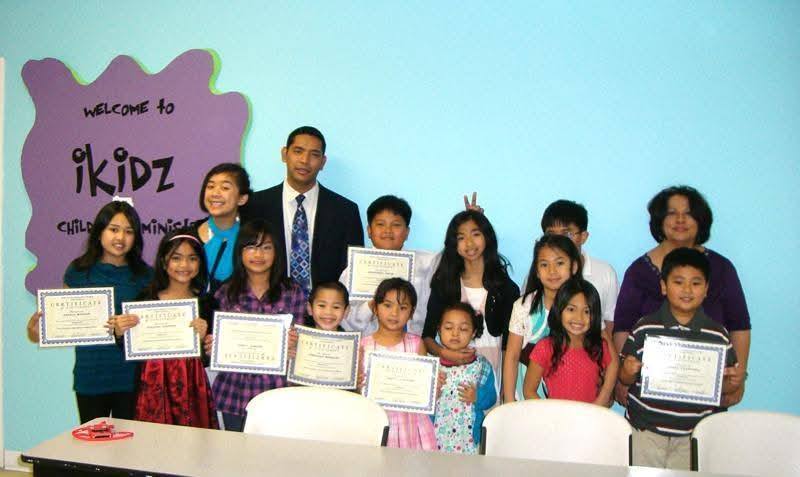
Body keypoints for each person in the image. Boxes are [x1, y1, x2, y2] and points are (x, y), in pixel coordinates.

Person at [613, 186, 750, 407]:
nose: (680, 220)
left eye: (688, 213)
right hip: (649, 400)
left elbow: (739, 325)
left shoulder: (722, 268)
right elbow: (622, 328)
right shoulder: (638, 272)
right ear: (660, 220)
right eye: (671, 213)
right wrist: (623, 377)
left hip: (705, 396)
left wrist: (738, 377)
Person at [26, 200, 153, 423]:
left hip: (132, 378)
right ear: (100, 232)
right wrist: (37, 332)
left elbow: (151, 330)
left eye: (129, 231)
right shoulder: (78, 271)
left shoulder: (146, 276)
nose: (120, 238)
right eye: (113, 229)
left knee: (133, 442)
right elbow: (61, 325)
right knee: (92, 442)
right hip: (90, 377)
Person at [619, 248, 742, 469]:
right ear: (664, 286)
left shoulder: (718, 335)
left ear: (706, 289)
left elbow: (720, 387)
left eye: (696, 283)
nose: (687, 290)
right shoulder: (644, 328)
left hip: (692, 434)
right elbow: (625, 379)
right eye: (678, 282)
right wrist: (627, 371)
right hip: (645, 429)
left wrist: (732, 382)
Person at [204, 219, 306, 431]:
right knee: (235, 450)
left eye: (266, 248)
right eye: (251, 247)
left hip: (278, 391)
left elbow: (301, 343)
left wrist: (296, 345)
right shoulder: (224, 293)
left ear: (276, 253)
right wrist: (213, 347)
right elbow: (217, 346)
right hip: (234, 392)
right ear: (240, 252)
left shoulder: (293, 292)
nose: (259, 255)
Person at [113, 229, 217, 428]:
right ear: (163, 261)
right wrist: (119, 331)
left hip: (192, 387)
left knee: (194, 440)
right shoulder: (145, 300)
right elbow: (130, 349)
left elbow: (208, 358)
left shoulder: (207, 304)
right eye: (176, 258)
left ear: (200, 263)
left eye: (192, 258)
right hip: (151, 386)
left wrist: (205, 340)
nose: (184, 265)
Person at [240, 126, 363, 293]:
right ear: (284, 154)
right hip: (268, 303)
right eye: (298, 151)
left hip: (324, 307)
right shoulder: (254, 206)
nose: (305, 160)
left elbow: (351, 271)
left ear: (323, 162)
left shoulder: (345, 211)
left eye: (314, 155)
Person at [423, 210, 519, 396]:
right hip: (451, 382)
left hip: (492, 377)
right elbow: (427, 337)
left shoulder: (506, 288)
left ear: (487, 237)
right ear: (454, 244)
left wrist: (506, 394)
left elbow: (509, 348)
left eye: (475, 234)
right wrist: (444, 353)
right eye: (461, 237)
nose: (469, 243)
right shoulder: (445, 284)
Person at [340, 195, 439, 336]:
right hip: (367, 344)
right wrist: (372, 305)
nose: (388, 230)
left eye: (396, 225)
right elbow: (344, 318)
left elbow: (456, 261)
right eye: (380, 224)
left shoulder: (427, 263)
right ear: (369, 231)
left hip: (414, 344)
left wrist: (469, 221)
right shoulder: (354, 270)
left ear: (407, 232)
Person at [502, 234, 582, 402]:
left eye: (559, 263)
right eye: (544, 264)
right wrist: (509, 400)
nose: (552, 271)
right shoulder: (524, 306)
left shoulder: (584, 306)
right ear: (537, 271)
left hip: (570, 392)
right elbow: (512, 355)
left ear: (574, 267)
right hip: (526, 391)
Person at [359, 278, 436, 450]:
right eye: (387, 305)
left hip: (411, 425)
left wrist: (432, 388)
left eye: (403, 308)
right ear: (375, 308)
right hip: (375, 424)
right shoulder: (363, 346)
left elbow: (424, 392)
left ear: (412, 312)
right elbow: (358, 393)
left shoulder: (416, 344)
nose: (394, 313)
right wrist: (357, 386)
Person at [522, 277, 617, 405]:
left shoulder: (599, 346)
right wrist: (549, 414)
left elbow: (612, 366)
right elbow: (528, 391)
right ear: (559, 310)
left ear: (595, 316)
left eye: (586, 311)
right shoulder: (545, 347)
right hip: (556, 417)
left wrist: (602, 400)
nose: (579, 318)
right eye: (571, 309)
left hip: (590, 416)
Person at [540, 199, 619, 333]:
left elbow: (609, 320)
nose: (559, 241)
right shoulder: (541, 272)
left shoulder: (605, 272)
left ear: (583, 236)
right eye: (551, 234)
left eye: (567, 234)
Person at [433, 302, 496, 454]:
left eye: (463, 329)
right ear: (439, 330)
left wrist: (477, 396)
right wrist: (433, 393)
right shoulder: (432, 364)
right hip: (435, 437)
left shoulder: (481, 365)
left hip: (468, 440)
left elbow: (491, 397)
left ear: (473, 333)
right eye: (449, 328)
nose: (455, 334)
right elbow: (421, 401)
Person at [194, 163, 251, 295]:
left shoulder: (253, 239)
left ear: (242, 199)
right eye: (210, 186)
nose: (215, 193)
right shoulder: (188, 238)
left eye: (225, 188)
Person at [287, 281, 351, 359]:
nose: (328, 312)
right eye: (322, 305)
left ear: (346, 311)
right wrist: (285, 355)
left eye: (336, 307)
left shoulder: (351, 347)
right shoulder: (296, 340)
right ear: (310, 308)